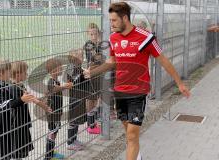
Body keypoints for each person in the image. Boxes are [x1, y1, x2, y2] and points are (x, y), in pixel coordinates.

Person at [83, 2, 191, 160]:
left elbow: (164, 60)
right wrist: (93, 72)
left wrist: (179, 83)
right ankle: (136, 155)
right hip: (120, 93)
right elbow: (112, 61)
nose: (110, 24)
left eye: (114, 20)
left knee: (132, 136)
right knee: (129, 133)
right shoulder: (113, 38)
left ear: (125, 18)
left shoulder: (146, 37)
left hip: (138, 93)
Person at [0, 58, 36, 160]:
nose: (10, 74)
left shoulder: (4, 83)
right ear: (0, 75)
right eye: (9, 72)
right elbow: (2, 105)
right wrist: (21, 100)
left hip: (6, 125)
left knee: (7, 153)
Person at [44, 57, 73, 160]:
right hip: (53, 112)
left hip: (57, 111)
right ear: (54, 70)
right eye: (60, 68)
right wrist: (65, 86)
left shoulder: (56, 81)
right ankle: (49, 155)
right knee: (53, 131)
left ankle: (51, 152)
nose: (61, 69)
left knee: (54, 131)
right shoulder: (51, 81)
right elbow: (54, 88)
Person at [84, 23, 105, 134]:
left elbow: (103, 58)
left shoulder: (102, 43)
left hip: (100, 74)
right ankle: (90, 125)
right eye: (91, 34)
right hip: (92, 74)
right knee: (90, 99)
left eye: (95, 33)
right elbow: (95, 60)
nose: (93, 36)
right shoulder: (88, 44)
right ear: (88, 34)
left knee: (97, 98)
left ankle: (95, 121)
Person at [67, 49, 87, 151]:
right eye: (80, 56)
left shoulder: (79, 68)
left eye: (82, 56)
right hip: (74, 98)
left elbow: (83, 80)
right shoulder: (71, 68)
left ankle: (74, 139)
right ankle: (70, 142)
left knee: (77, 119)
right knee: (72, 120)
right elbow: (72, 82)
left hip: (80, 97)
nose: (82, 58)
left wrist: (86, 75)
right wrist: (82, 74)